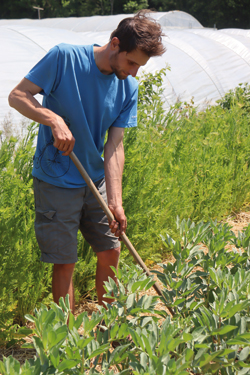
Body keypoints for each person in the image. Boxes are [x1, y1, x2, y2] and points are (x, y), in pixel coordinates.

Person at [8, 10, 165, 313]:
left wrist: (116, 202)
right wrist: (51, 118)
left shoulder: (128, 88)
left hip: (96, 179)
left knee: (111, 251)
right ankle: (67, 345)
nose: (134, 73)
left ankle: (111, 327)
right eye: (132, 62)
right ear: (115, 43)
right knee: (65, 261)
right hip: (57, 178)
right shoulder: (64, 59)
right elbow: (18, 96)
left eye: (140, 67)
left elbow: (115, 146)